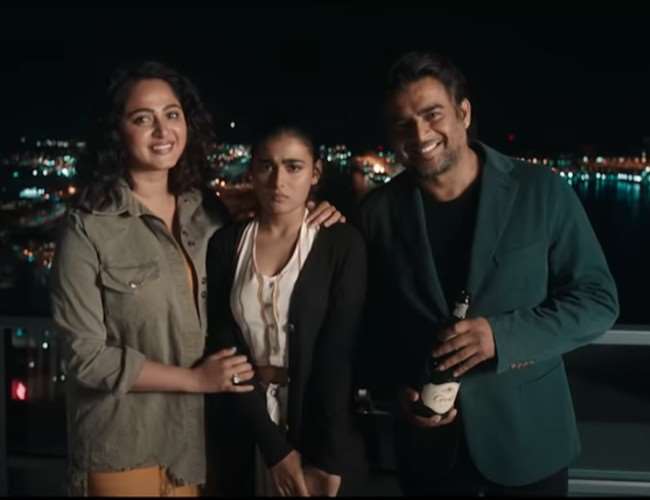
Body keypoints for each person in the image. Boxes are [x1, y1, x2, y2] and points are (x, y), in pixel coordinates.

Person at [49, 61, 343, 497]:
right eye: (142, 118)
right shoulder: (87, 228)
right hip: (124, 443)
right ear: (116, 132)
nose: (162, 130)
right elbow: (85, 358)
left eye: (172, 114)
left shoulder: (207, 214)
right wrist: (195, 381)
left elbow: (235, 298)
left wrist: (314, 215)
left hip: (200, 445)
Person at [357, 51, 619, 497]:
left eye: (432, 114)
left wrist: (501, 338)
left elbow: (598, 301)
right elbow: (370, 325)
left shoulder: (541, 190)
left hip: (529, 444)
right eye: (403, 123)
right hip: (428, 454)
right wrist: (394, 389)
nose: (419, 134)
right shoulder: (376, 213)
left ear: (463, 113)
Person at [205, 120, 367, 497]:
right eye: (267, 166)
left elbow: (338, 356)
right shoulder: (225, 245)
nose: (278, 181)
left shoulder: (340, 243)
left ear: (315, 173)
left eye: (294, 167)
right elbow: (225, 346)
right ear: (252, 170)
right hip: (245, 425)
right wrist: (274, 448)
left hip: (318, 432)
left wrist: (329, 459)